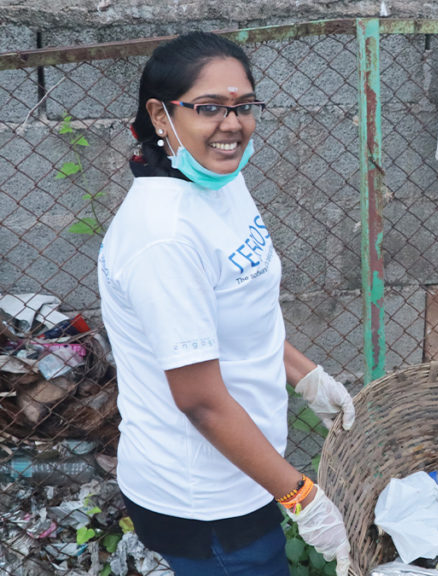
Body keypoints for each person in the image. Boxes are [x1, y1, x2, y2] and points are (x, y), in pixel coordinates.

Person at [98, 32, 356, 576]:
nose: (232, 124)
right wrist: (301, 496)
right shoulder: (163, 238)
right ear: (160, 114)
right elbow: (200, 401)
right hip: (203, 500)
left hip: (243, 469)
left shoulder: (218, 181)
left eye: (243, 107)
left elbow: (241, 308)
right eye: (209, 108)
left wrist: (307, 376)